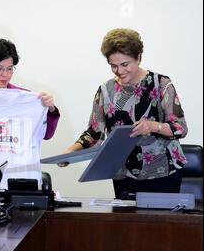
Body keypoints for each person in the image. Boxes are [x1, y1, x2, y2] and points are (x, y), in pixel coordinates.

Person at [60, 28, 188, 199]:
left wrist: (153, 126)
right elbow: (94, 133)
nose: (119, 71)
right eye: (113, 66)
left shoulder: (161, 84)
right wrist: (70, 151)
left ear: (139, 58)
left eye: (125, 64)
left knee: (160, 225)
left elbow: (180, 128)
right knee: (127, 225)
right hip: (124, 173)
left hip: (163, 171)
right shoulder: (106, 90)